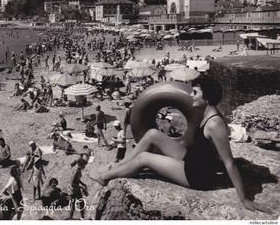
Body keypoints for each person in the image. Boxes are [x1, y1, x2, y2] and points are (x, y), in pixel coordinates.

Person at [89, 76, 270, 213]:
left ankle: (105, 176)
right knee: (153, 134)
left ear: (206, 98)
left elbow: (228, 162)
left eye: (195, 93)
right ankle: (121, 165)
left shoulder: (215, 123)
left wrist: (245, 199)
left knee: (145, 158)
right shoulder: (205, 113)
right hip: (191, 159)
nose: (191, 96)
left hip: (197, 175)